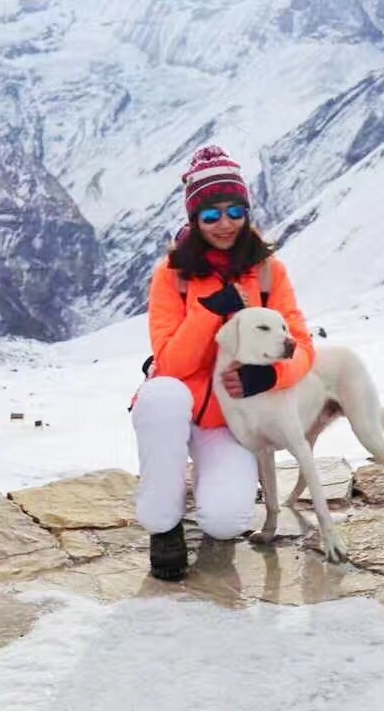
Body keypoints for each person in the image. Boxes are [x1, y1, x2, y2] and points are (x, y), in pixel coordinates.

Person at [129, 144, 317, 581]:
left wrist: (268, 375)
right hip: (181, 406)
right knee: (160, 397)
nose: (225, 223)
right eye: (210, 215)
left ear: (247, 212)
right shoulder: (172, 275)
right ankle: (164, 525)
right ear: (194, 220)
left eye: (235, 210)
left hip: (230, 422)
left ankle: (219, 491)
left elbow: (303, 346)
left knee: (226, 522)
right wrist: (209, 310)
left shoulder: (269, 274)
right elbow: (171, 363)